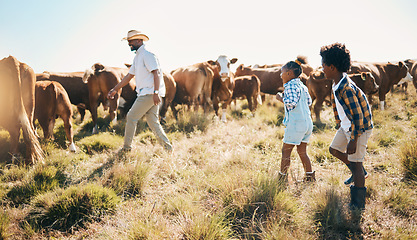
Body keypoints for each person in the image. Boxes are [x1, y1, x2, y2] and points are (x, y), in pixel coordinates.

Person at [320, 43, 373, 210]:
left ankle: (358, 203)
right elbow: (343, 111)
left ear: (332, 67)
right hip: (347, 127)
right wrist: (340, 125)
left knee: (356, 163)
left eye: (323, 65)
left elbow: (357, 117)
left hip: (359, 129)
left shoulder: (346, 87)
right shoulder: (336, 83)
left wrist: (353, 140)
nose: (322, 68)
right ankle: (358, 171)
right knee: (334, 149)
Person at [107, 30, 173, 152]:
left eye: (130, 41)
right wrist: (115, 89)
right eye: (128, 41)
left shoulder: (148, 55)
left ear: (139, 40)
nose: (129, 44)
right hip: (147, 93)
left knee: (131, 117)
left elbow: (157, 73)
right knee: (153, 122)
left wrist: (156, 93)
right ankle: (168, 148)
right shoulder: (138, 57)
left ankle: (126, 149)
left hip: (149, 94)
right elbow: (128, 77)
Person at [276, 58, 315, 182]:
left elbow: (291, 103)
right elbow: (309, 102)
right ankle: (310, 176)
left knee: (286, 152)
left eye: (282, 72)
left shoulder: (290, 86)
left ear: (288, 73)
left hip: (296, 124)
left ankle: (282, 179)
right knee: (302, 152)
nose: (280, 75)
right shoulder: (302, 86)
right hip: (307, 123)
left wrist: (280, 98)